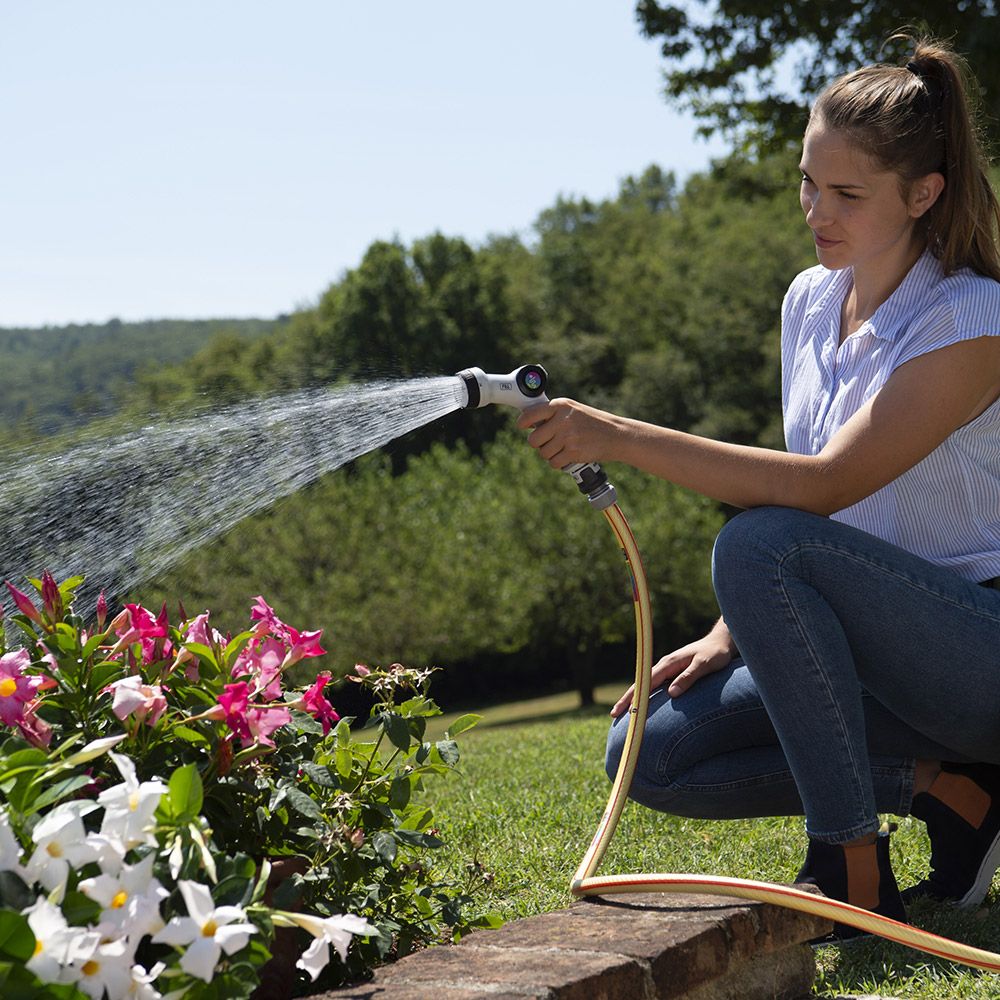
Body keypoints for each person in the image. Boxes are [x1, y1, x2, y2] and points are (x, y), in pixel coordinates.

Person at [518, 35, 1000, 930]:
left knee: (756, 536)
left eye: (849, 194)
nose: (818, 211)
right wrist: (734, 629)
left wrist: (613, 434)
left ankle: (848, 863)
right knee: (649, 747)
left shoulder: (971, 319)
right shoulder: (809, 303)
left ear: (924, 194)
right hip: (878, 657)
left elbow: (819, 487)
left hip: (980, 655)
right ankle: (955, 794)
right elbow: (830, 514)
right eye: (809, 182)